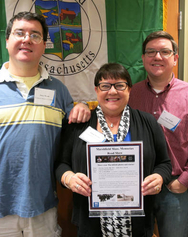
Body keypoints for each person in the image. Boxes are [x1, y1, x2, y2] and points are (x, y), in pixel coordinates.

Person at [0, 11, 90, 237]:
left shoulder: (59, 90)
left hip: (44, 210)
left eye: (35, 35)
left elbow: (73, 140)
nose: (27, 39)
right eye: (20, 33)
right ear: (7, 41)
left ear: (44, 46)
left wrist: (83, 106)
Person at [55, 63, 172, 237]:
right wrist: (69, 178)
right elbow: (61, 164)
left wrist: (159, 178)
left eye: (119, 85)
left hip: (138, 222)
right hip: (90, 221)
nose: (112, 91)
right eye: (105, 86)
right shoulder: (80, 125)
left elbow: (164, 163)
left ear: (129, 89)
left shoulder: (148, 122)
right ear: (96, 90)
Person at [128, 31, 188, 237]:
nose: (157, 57)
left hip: (173, 188)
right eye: (151, 52)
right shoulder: (131, 95)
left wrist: (185, 180)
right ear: (143, 58)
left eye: (164, 52)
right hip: (137, 187)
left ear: (175, 58)